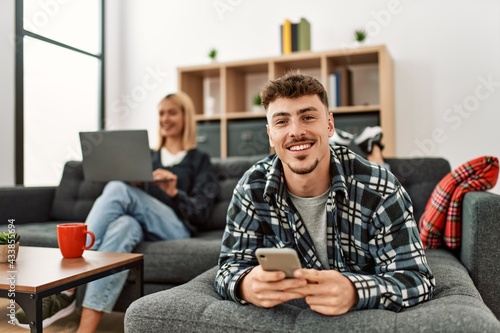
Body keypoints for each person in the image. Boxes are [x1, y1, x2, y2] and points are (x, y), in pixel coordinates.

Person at [214, 72, 434, 315]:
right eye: (281, 122)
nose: (296, 131)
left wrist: (354, 291)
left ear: (329, 125)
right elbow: (228, 268)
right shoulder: (251, 188)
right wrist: (246, 284)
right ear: (270, 134)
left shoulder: (380, 187)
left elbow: (417, 279)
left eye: (308, 117)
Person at [15, 91, 218, 332]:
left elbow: (202, 214)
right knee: (123, 227)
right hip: (139, 225)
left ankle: (67, 285)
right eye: (161, 113)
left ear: (186, 117)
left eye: (172, 112)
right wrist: (135, 183)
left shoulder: (199, 160)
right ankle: (85, 329)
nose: (165, 118)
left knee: (118, 189)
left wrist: (174, 192)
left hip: (176, 228)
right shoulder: (149, 158)